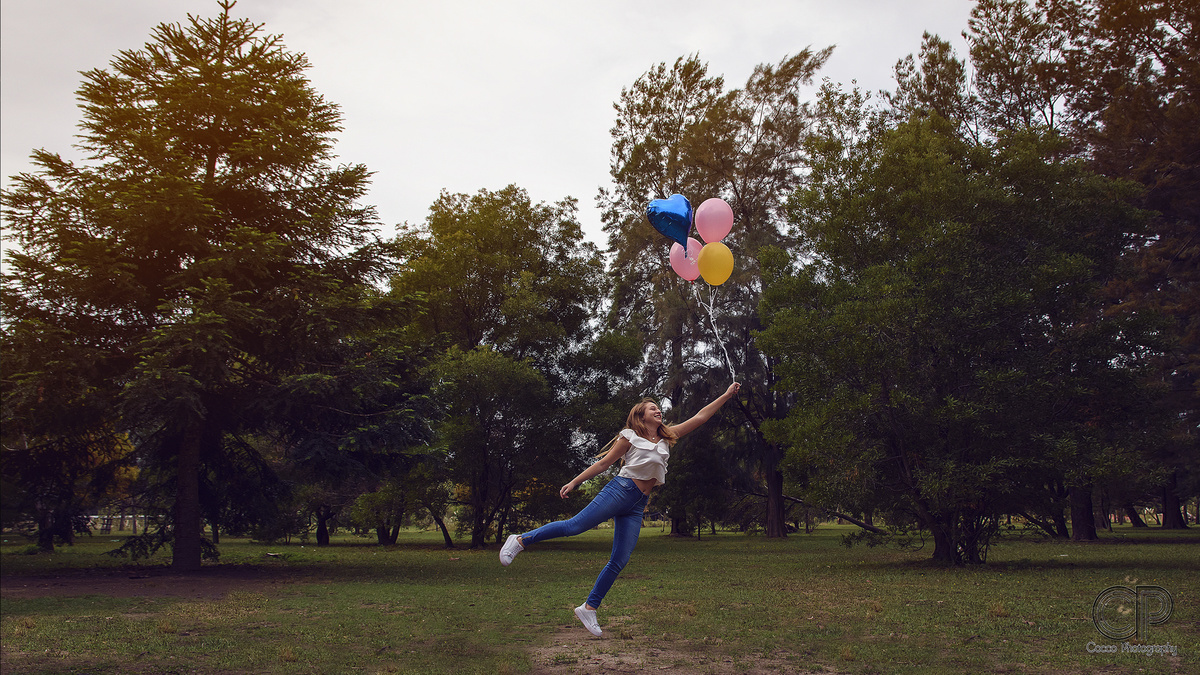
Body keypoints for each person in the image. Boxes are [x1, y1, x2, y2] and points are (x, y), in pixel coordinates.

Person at [499, 382, 741, 636]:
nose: (658, 410)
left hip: (637, 504)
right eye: (652, 408)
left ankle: (589, 608)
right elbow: (604, 464)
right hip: (620, 490)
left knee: (620, 559)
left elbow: (700, 417)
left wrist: (725, 394)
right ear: (640, 415)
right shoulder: (629, 436)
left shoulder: (668, 436)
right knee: (575, 526)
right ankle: (520, 540)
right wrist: (575, 481)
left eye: (659, 408)